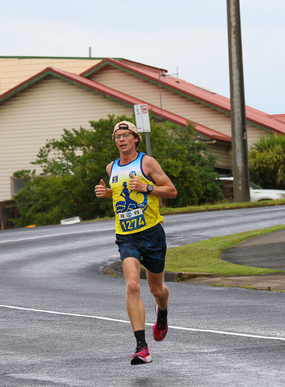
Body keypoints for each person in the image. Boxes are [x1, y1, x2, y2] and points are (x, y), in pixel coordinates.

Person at [95, 120, 177, 365]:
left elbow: (171, 190)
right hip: (126, 235)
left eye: (126, 135)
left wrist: (146, 187)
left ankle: (162, 310)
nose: (121, 139)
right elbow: (121, 193)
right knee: (132, 285)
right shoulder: (111, 168)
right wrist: (107, 193)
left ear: (135, 138)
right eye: (117, 136)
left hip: (151, 233)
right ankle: (142, 347)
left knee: (156, 290)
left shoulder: (147, 163)